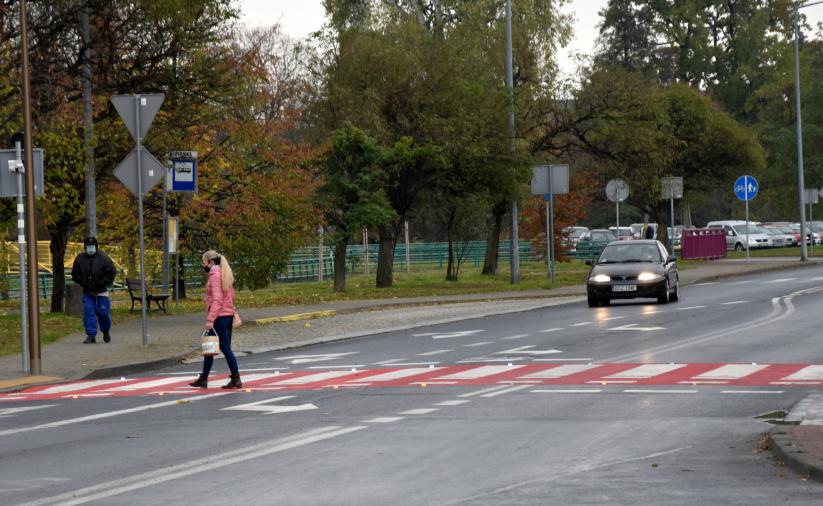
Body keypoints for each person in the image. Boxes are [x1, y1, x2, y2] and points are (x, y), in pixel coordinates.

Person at [189, 250, 242, 389]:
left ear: (211, 262)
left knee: (224, 347)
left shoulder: (214, 275)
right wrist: (233, 313)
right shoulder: (225, 273)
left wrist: (210, 319)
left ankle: (236, 378)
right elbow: (231, 296)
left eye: (204, 262)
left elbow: (217, 299)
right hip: (227, 315)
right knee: (210, 346)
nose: (203, 265)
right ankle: (204, 378)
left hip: (219, 316)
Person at [71, 236, 117, 344]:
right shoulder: (80, 259)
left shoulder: (103, 258)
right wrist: (83, 281)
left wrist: (103, 281)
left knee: (103, 314)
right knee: (88, 312)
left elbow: (111, 272)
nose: (90, 248)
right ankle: (91, 335)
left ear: (96, 246)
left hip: (101, 292)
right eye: (88, 246)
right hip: (88, 292)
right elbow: (75, 274)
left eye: (92, 246)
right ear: (85, 247)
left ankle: (105, 331)